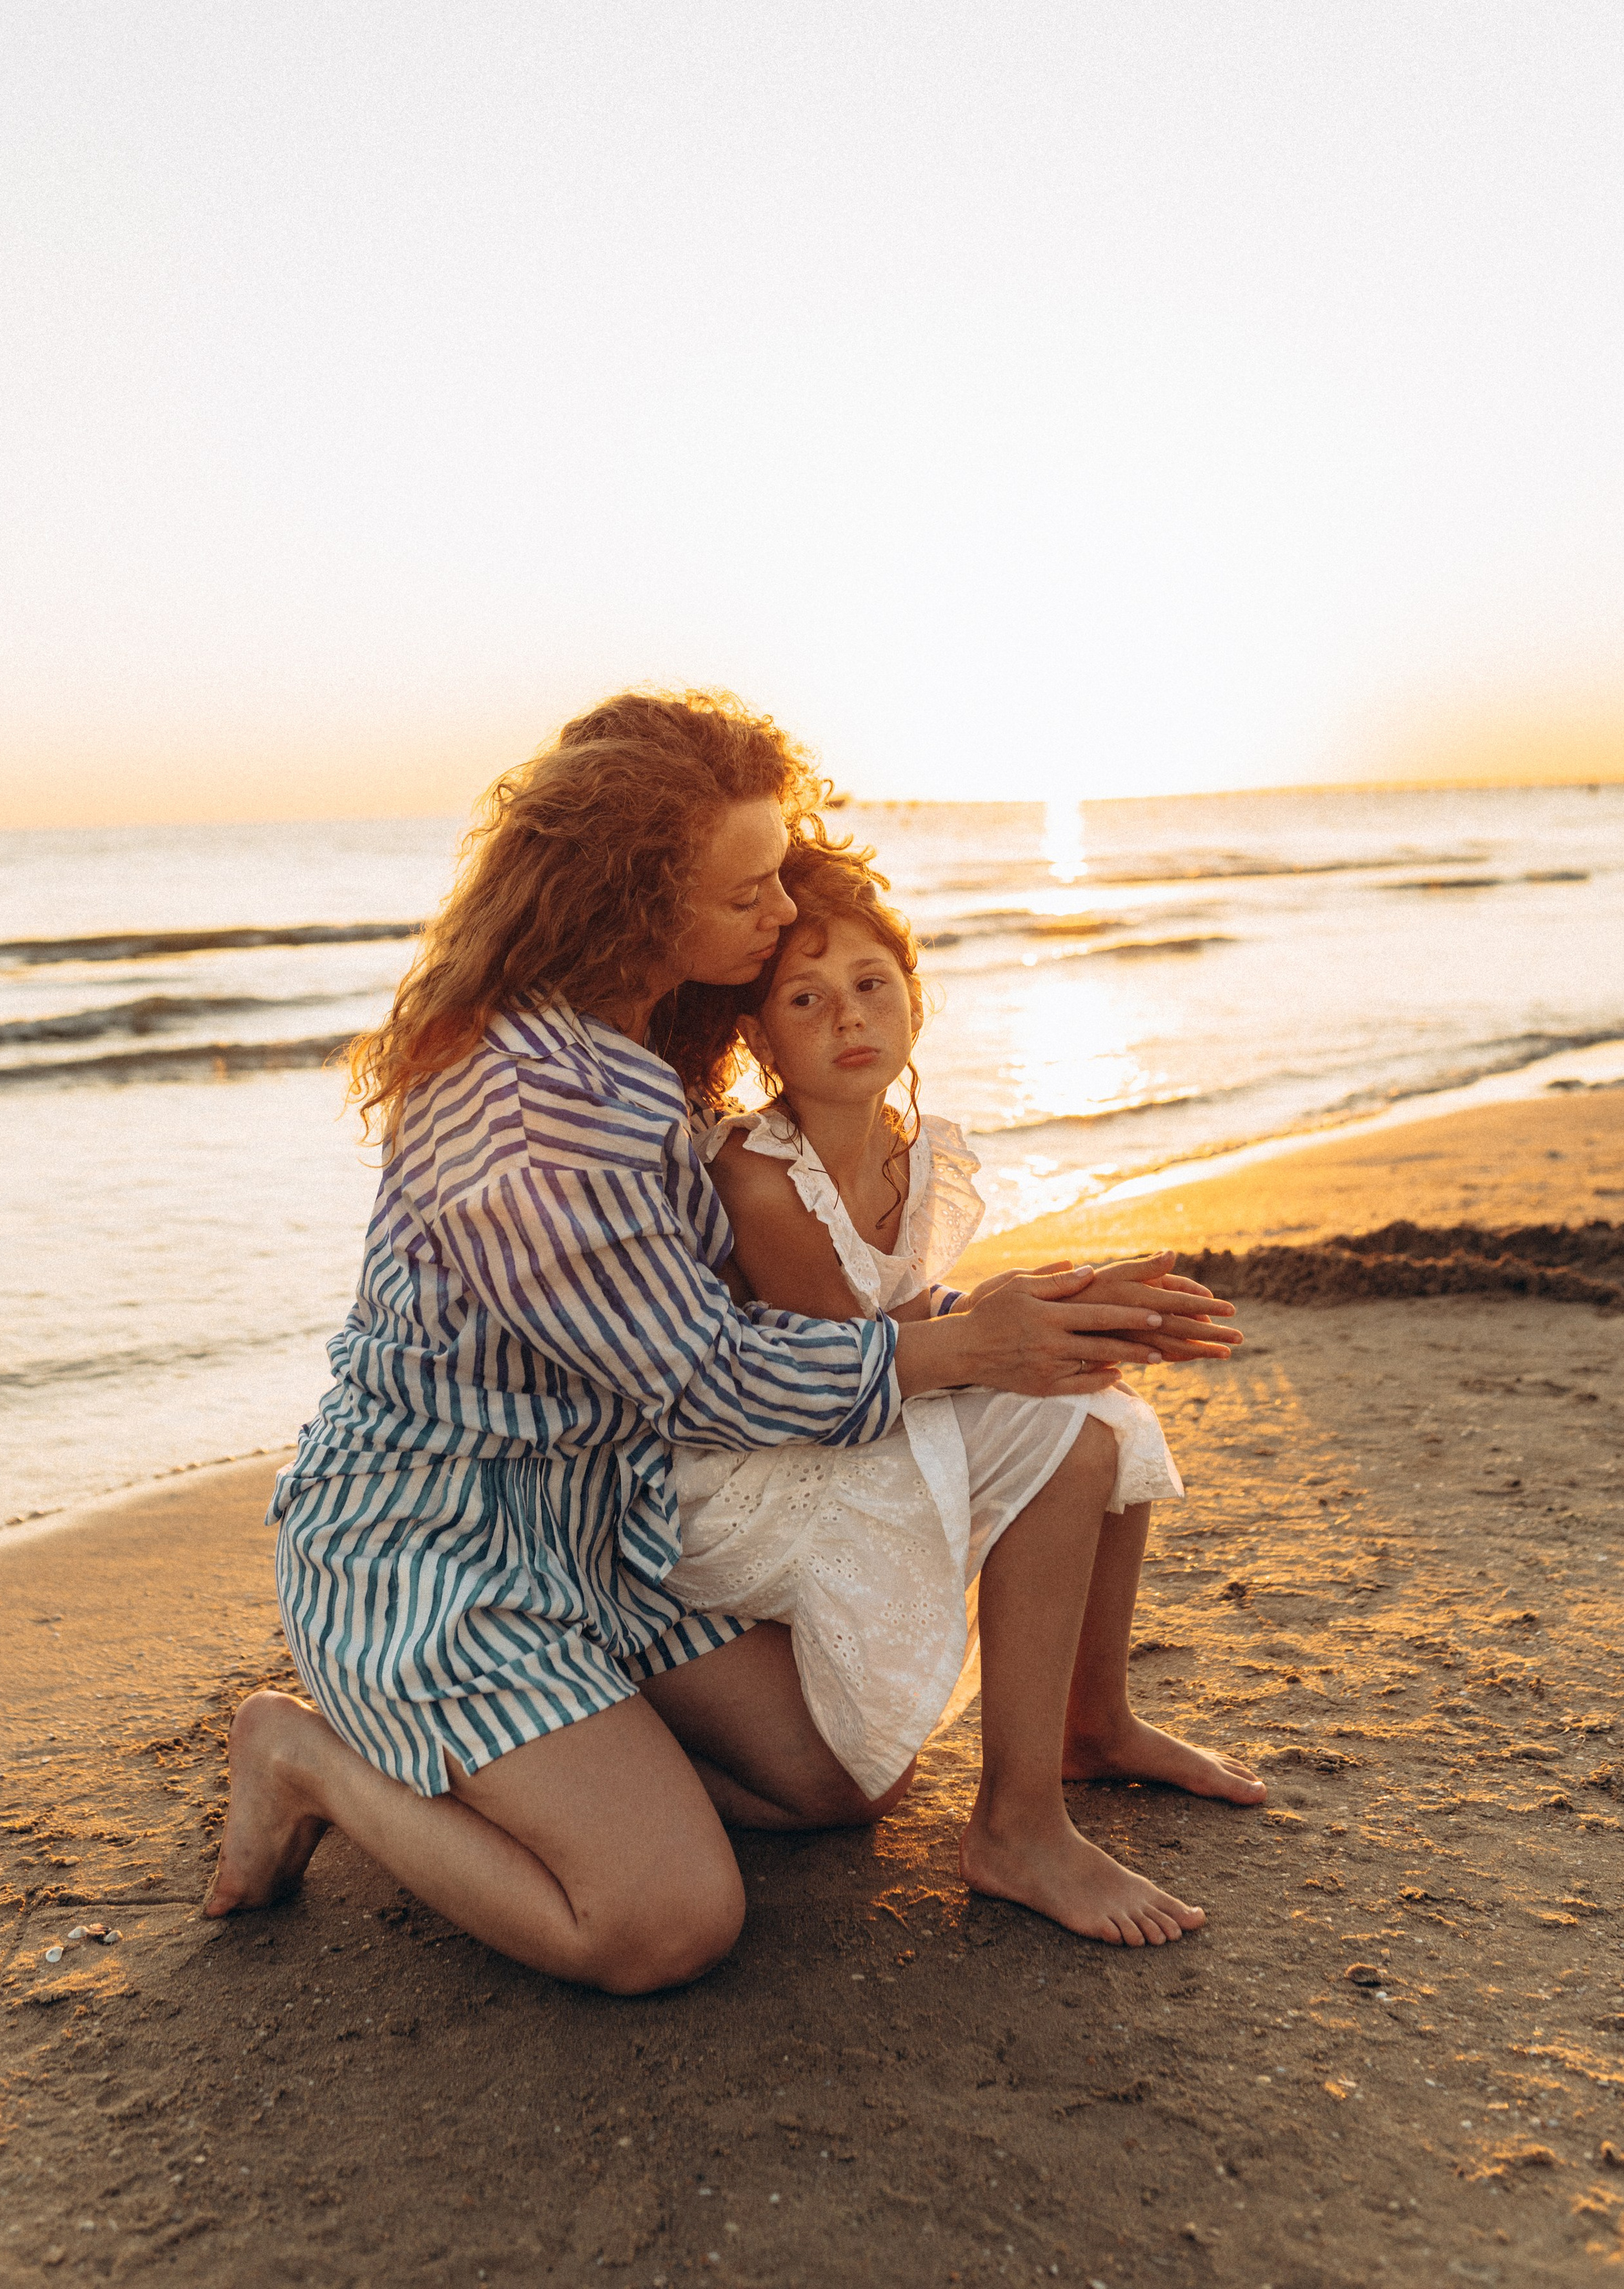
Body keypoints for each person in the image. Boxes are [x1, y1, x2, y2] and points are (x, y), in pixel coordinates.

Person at [206, 691, 1239, 1991]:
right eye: (747, 891)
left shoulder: (632, 1043)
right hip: (441, 1559)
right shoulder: (537, 1117)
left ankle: (568, 1766)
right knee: (663, 1923)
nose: (777, 911)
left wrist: (1017, 1316)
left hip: (606, 1532)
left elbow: (747, 1324)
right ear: (635, 903)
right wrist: (975, 1348)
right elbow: (705, 1373)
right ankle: (310, 1762)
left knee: (839, 1784)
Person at [662, 840, 1264, 1946]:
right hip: (757, 1469)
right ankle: (1016, 1826)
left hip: (859, 1409)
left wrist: (1068, 1309)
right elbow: (838, 1370)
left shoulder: (913, 1148)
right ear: (758, 1036)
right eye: (807, 996)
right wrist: (1009, 1328)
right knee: (1065, 1427)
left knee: (1101, 1401)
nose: (848, 1017)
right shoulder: (757, 1175)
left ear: (913, 1001)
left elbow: (930, 1317)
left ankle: (1097, 1722)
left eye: (870, 985)